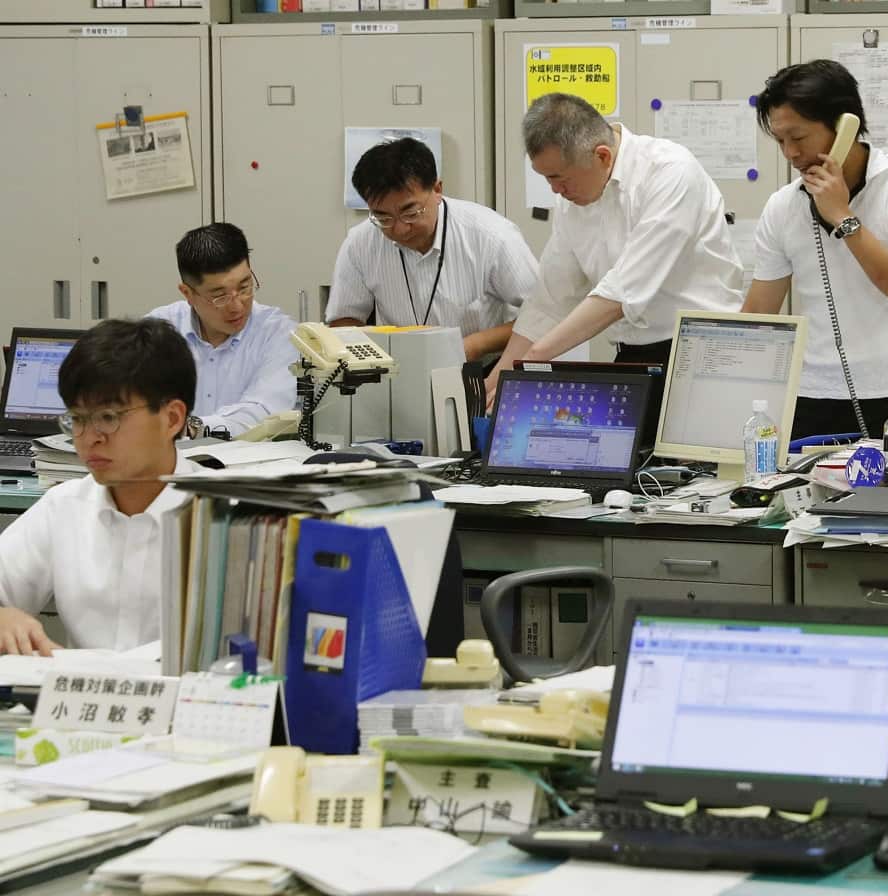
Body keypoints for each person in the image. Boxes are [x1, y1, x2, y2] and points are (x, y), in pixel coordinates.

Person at [488, 93, 745, 389]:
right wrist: (498, 380)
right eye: (546, 179)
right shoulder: (572, 201)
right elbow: (549, 302)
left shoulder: (669, 172)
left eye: (560, 178)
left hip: (706, 353)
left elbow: (624, 291)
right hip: (635, 355)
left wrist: (534, 360)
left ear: (602, 156)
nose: (555, 190)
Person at [744, 60, 888, 440]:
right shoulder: (784, 205)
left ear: (843, 126)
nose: (789, 153)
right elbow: (758, 313)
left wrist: (842, 216)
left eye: (798, 138)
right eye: (780, 141)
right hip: (812, 394)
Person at [0, 318, 203, 654]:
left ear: (172, 418)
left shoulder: (225, 515)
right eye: (77, 419)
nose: (88, 438)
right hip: (81, 699)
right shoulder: (65, 506)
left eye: (108, 418)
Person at [327, 138, 538, 363]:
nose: (399, 229)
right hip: (397, 371)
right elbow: (344, 322)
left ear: (437, 190)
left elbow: (544, 314)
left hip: (480, 369)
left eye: (410, 212)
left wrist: (477, 344)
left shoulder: (492, 236)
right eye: (383, 217)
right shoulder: (360, 243)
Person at [149, 222, 298, 438]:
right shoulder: (159, 332)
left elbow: (263, 412)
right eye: (220, 296)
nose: (237, 306)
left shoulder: (279, 334)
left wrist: (189, 428)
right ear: (188, 293)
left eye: (244, 287)